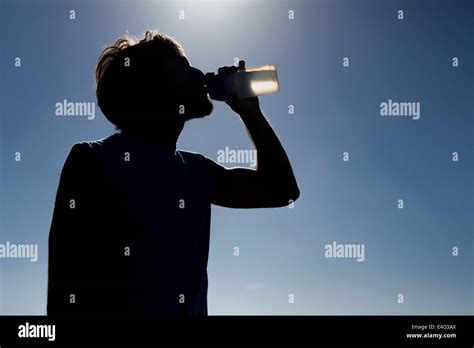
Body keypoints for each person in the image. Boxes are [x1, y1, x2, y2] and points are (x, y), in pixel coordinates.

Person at [47, 31, 300, 317]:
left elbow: (282, 190)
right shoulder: (91, 161)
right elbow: (63, 292)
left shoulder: (196, 172)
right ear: (150, 85)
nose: (198, 73)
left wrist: (250, 112)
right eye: (182, 66)